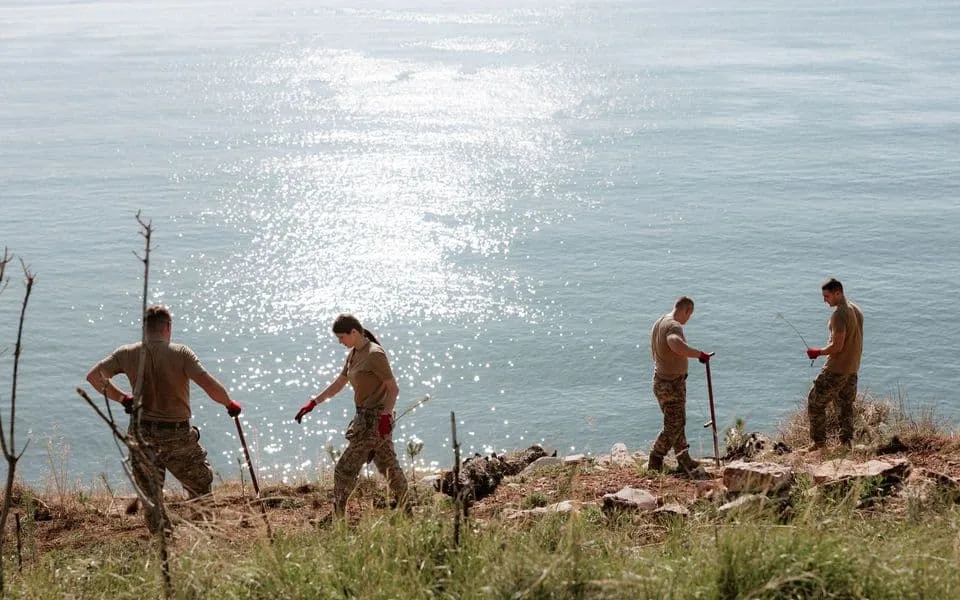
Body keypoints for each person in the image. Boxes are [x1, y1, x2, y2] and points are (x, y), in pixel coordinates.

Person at [85, 305, 242, 533]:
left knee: (151, 495)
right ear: (168, 327)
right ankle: (205, 537)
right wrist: (229, 403)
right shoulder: (181, 353)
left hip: (141, 433)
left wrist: (122, 399)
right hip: (176, 434)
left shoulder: (127, 353)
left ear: (144, 328)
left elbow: (94, 377)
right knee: (199, 486)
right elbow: (208, 385)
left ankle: (162, 544)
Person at [295, 313, 408, 517]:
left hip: (374, 422)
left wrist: (385, 417)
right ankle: (407, 510)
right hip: (364, 418)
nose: (340, 342)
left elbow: (393, 389)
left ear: (354, 332)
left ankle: (336, 519)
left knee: (344, 470)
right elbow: (339, 383)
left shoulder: (375, 355)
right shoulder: (354, 353)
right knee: (388, 466)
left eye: (342, 337)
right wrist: (313, 402)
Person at [647, 296, 712, 479]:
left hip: (660, 381)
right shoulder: (674, 326)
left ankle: (684, 459)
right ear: (686, 311)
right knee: (673, 425)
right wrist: (699, 354)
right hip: (671, 384)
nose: (687, 320)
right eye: (689, 315)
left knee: (678, 422)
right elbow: (675, 343)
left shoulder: (660, 321)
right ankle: (655, 458)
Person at [804, 278, 864, 451]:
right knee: (845, 406)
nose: (825, 300)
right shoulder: (856, 309)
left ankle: (819, 443)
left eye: (827, 296)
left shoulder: (839, 315)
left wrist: (818, 352)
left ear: (838, 293)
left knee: (815, 402)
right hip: (852, 368)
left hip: (836, 369)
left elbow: (837, 346)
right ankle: (846, 443)